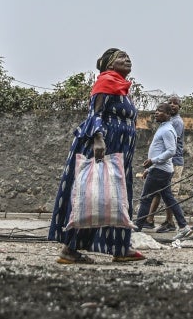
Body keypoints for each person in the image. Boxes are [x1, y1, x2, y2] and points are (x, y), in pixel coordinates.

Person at [48, 48, 144, 264]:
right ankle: (69, 250)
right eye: (122, 57)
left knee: (115, 197)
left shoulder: (122, 88)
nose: (127, 60)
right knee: (94, 196)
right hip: (105, 146)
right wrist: (98, 138)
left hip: (120, 150)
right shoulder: (106, 81)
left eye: (129, 57)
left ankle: (120, 248)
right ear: (110, 64)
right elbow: (95, 113)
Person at [133, 103, 192, 241]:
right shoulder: (163, 128)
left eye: (160, 111)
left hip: (160, 170)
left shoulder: (167, 130)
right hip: (159, 169)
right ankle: (184, 226)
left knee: (146, 198)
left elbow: (171, 151)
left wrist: (153, 161)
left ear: (168, 114)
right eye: (156, 111)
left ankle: (137, 227)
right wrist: (149, 168)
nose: (156, 113)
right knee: (168, 198)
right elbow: (159, 150)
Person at [146, 95, 185, 233]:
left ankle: (171, 222)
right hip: (164, 162)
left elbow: (171, 148)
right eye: (170, 103)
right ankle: (149, 219)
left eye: (176, 103)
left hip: (173, 161)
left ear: (179, 107)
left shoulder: (175, 123)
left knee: (169, 193)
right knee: (160, 192)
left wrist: (154, 160)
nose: (173, 105)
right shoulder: (167, 122)